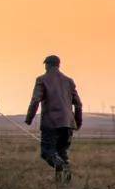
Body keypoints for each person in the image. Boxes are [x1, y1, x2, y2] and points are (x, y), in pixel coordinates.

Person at [25, 54, 82, 182]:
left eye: (45, 65)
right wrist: (78, 122)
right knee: (62, 153)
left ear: (47, 65)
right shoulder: (69, 81)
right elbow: (78, 104)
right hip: (67, 124)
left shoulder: (42, 79)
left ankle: (63, 167)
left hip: (51, 123)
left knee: (47, 152)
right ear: (58, 65)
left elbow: (35, 100)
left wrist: (29, 118)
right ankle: (63, 185)